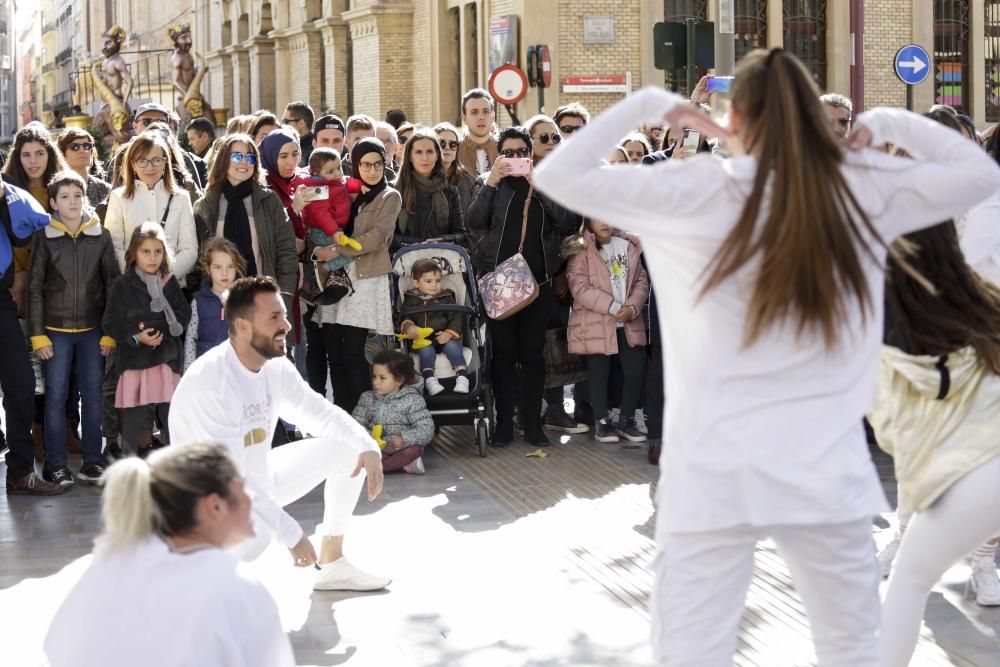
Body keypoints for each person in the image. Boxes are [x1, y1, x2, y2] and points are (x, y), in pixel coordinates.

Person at [532, 48, 1000, 666]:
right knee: (851, 649)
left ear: (734, 119)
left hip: (708, 465)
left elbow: (557, 177)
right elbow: (979, 175)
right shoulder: (860, 187)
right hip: (823, 462)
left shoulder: (690, 187)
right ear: (811, 115)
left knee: (693, 649)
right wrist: (887, 123)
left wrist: (649, 108)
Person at [170, 276, 390, 590]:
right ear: (243, 326)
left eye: (284, 315)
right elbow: (232, 480)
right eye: (274, 317)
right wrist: (293, 536)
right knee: (254, 538)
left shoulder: (275, 365)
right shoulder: (212, 383)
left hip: (258, 480)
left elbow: (318, 412)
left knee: (349, 450)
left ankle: (333, 564)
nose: (287, 325)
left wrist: (367, 445)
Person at [870, 222, 1000, 664]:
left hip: (970, 476)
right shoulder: (986, 298)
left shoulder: (887, 323)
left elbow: (890, 432)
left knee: (908, 581)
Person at [43, 442, 295, 667]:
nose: (252, 496)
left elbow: (55, 646)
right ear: (214, 505)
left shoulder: (108, 562)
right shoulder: (237, 587)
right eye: (244, 487)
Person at [467, 126, 578, 446]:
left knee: (532, 355)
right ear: (498, 155)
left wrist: (539, 187)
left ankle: (532, 423)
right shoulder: (488, 183)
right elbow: (473, 222)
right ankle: (503, 423)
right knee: (502, 356)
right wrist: (490, 183)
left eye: (521, 153)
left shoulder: (548, 183)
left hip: (538, 285)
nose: (515, 158)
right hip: (500, 285)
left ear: (531, 154)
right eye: (508, 153)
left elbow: (567, 222)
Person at [28, 171, 119, 486]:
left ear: (85, 199)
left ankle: (92, 462)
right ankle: (55, 465)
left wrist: (110, 332)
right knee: (55, 397)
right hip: (54, 331)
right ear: (53, 203)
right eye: (64, 197)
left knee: (93, 396)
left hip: (94, 330)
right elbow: (35, 289)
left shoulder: (101, 236)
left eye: (77, 196)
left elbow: (112, 286)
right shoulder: (45, 237)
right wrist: (38, 334)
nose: (72, 202)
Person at [312, 138, 400, 413]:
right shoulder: (344, 189)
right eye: (365, 164)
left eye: (378, 164)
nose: (372, 171)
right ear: (355, 164)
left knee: (353, 353)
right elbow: (314, 218)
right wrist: (318, 250)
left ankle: (362, 417)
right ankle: (342, 414)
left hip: (363, 279)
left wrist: (336, 251)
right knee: (334, 355)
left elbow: (377, 237)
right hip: (334, 278)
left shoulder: (389, 196)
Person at [103, 223, 190, 457]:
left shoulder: (169, 281)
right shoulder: (122, 284)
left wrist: (164, 332)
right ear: (133, 254)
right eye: (146, 252)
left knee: (170, 413)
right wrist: (136, 336)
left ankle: (175, 462)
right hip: (135, 359)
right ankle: (128, 464)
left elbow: (183, 313)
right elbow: (111, 322)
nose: (152, 257)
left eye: (158, 252)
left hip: (166, 358)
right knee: (132, 416)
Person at [1, 171, 63, 495]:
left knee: (22, 385)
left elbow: (25, 231)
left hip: (1, 300)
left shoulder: (4, 192)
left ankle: (20, 472)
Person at [566, 219, 648, 443]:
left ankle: (627, 419)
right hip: (597, 321)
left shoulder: (628, 245)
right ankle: (601, 421)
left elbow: (641, 280)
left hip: (628, 322)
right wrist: (612, 307)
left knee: (636, 371)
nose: (604, 223)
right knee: (599, 373)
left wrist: (632, 307)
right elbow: (578, 286)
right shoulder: (581, 248)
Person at [192, 134, 298, 300]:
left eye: (250, 157)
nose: (244, 162)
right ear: (223, 161)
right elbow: (197, 261)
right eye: (236, 156)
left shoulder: (269, 200)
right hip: (219, 302)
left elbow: (286, 252)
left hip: (263, 299)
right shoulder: (205, 205)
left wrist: (282, 296)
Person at [104, 134, 198, 285]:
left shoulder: (181, 198)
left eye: (156, 160)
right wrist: (137, 276)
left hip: (171, 288)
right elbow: (114, 246)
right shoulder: (118, 198)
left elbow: (189, 249)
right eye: (142, 161)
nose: (150, 167)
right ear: (133, 164)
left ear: (165, 162)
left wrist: (165, 276)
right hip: (132, 287)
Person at [292, 147, 363, 303]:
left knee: (341, 251)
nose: (338, 173)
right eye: (331, 171)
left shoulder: (336, 181)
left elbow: (347, 183)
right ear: (316, 173)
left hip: (335, 228)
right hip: (324, 231)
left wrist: (360, 186)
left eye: (338, 168)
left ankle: (315, 281)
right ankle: (326, 270)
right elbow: (321, 214)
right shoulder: (319, 190)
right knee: (349, 252)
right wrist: (334, 232)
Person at [353, 349, 434, 475]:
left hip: (400, 448)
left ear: (399, 380)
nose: (376, 382)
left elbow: (426, 429)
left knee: (414, 450)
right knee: (355, 449)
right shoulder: (367, 398)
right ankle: (402, 465)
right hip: (375, 448)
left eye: (382, 378)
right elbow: (355, 424)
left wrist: (405, 439)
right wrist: (370, 437)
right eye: (374, 376)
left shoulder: (413, 400)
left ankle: (371, 468)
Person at [400, 259, 469, 396]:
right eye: (429, 281)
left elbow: (456, 317)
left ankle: (462, 377)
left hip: (443, 335)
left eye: (437, 281)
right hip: (422, 339)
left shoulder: (447, 296)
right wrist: (409, 326)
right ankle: (430, 379)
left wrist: (449, 333)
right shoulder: (410, 299)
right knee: (426, 351)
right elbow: (404, 318)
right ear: (416, 282)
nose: (434, 285)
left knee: (453, 347)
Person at [392, 128, 466, 253]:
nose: (425, 158)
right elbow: (388, 236)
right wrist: (419, 244)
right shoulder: (395, 190)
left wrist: (442, 240)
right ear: (410, 156)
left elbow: (461, 234)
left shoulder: (450, 192)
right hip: (407, 262)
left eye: (430, 151)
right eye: (419, 152)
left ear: (437, 155)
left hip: (441, 262)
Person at [184, 237, 246, 370]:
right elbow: (190, 339)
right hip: (207, 371)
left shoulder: (243, 301)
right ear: (208, 268)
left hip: (235, 372)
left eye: (230, 266)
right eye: (217, 267)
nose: (224, 273)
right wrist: (189, 373)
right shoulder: (198, 301)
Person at [56, 129, 111, 209]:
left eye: (87, 146)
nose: (82, 150)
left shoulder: (107, 190)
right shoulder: (54, 189)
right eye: (75, 147)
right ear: (63, 154)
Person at [434, 122, 478, 214]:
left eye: (452, 144)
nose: (447, 148)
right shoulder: (423, 177)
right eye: (441, 143)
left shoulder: (468, 179)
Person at [457, 88, 498, 176]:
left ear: (493, 116)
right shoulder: (455, 150)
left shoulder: (504, 149)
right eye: (474, 112)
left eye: (486, 111)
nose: (481, 117)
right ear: (464, 118)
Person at [282, 101, 316, 165]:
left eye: (286, 121)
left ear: (301, 123)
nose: (282, 125)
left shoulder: (315, 149)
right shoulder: (285, 144)